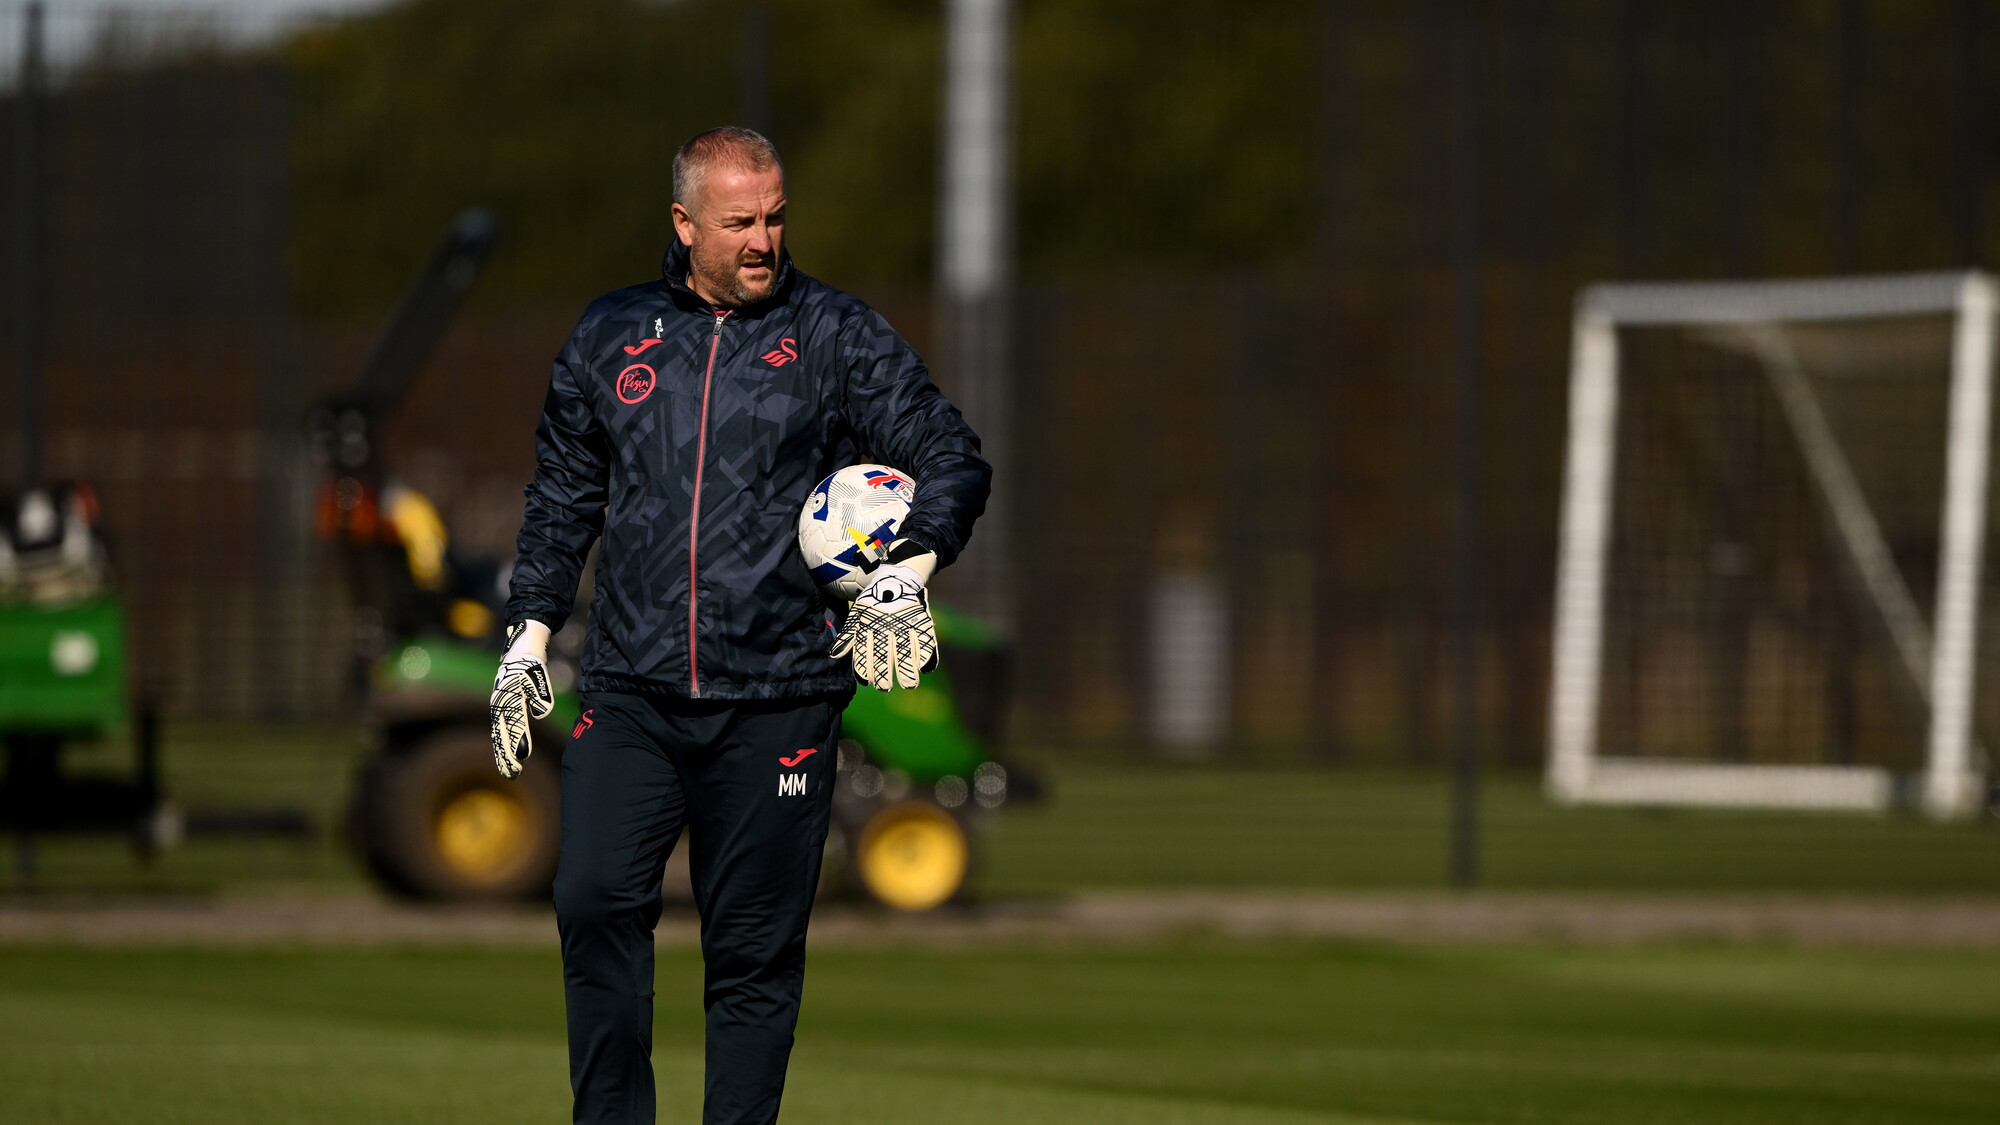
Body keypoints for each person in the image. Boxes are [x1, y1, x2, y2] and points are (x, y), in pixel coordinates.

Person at [487, 126, 990, 1125]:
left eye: (775, 219)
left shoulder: (836, 335)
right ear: (683, 224)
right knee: (591, 903)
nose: (763, 240)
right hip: (628, 690)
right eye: (739, 222)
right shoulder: (607, 335)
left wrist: (909, 571)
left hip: (780, 700)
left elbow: (953, 458)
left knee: (753, 955)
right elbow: (560, 501)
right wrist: (527, 637)